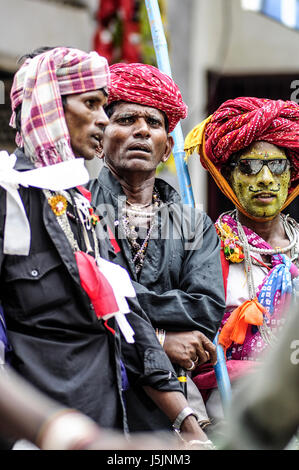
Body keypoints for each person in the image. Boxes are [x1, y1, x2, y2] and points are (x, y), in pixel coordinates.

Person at [0, 47, 212, 449]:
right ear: (49, 104)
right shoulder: (9, 200)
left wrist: (186, 422)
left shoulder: (81, 208)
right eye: (92, 103)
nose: (102, 117)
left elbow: (128, 323)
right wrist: (53, 433)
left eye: (104, 104)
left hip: (109, 427)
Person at [89, 62, 226, 434]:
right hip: (94, 399)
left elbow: (205, 310)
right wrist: (162, 339)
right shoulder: (76, 209)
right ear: (99, 139)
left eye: (154, 123)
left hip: (169, 415)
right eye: (127, 119)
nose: (141, 131)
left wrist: (118, 303)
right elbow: (78, 301)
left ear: (167, 147)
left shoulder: (194, 224)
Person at [184, 97, 299, 425]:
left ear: (291, 175)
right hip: (226, 420)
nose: (265, 178)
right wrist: (197, 424)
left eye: (276, 165)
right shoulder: (205, 250)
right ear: (228, 177)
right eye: (249, 166)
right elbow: (183, 345)